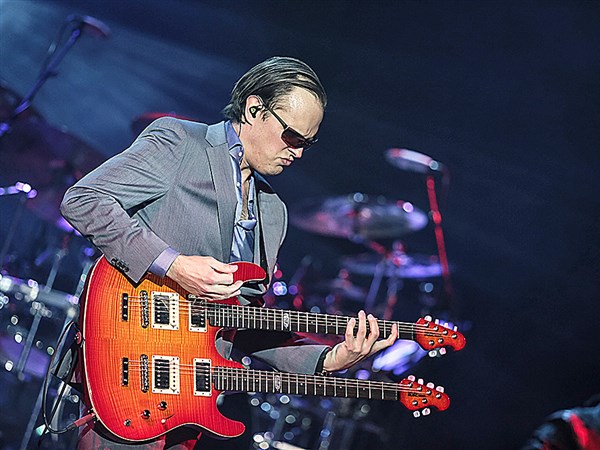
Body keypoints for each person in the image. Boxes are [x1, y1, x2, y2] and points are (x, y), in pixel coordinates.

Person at [60, 56, 397, 449]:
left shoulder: (273, 212)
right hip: (129, 371)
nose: (299, 153)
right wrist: (173, 265)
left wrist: (328, 359)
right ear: (254, 109)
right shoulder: (181, 143)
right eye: (292, 137)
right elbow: (83, 199)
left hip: (188, 400)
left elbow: (245, 324)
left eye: (307, 143)